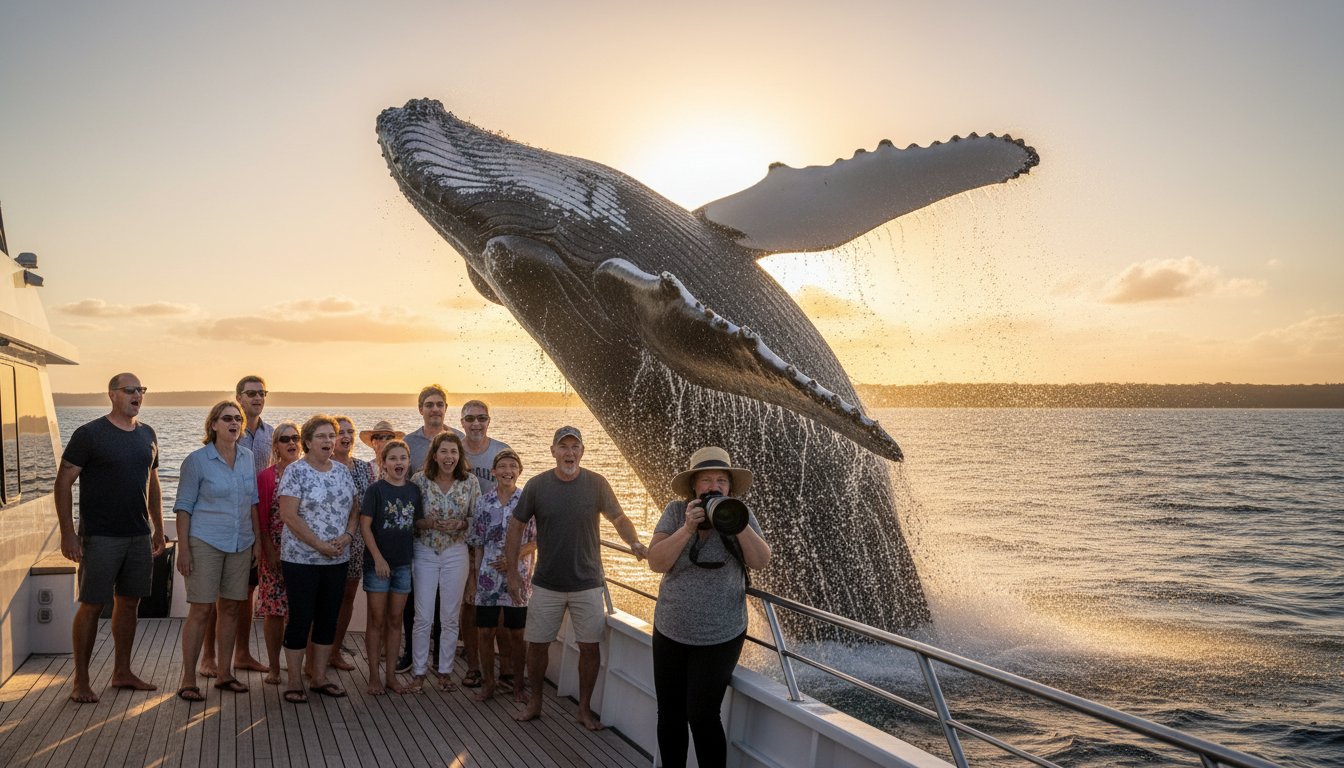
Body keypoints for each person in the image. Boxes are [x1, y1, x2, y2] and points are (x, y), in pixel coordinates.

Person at [506, 426, 648, 729]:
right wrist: (512, 574)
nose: (569, 453)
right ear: (553, 451)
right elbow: (516, 526)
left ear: (582, 451)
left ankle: (583, 709)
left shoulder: (597, 484)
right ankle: (536, 702)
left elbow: (619, 518)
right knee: (538, 645)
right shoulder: (537, 485)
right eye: (563, 447)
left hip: (588, 583)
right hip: (546, 582)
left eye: (574, 447)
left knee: (589, 647)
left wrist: (634, 542)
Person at [646, 447, 772, 768]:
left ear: (730, 487)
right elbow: (656, 561)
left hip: (720, 634)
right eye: (706, 480)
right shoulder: (676, 512)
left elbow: (760, 560)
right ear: (694, 487)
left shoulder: (740, 513)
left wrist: (737, 522)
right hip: (671, 629)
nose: (714, 487)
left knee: (702, 714)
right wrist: (688, 528)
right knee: (670, 713)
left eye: (721, 480)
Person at [55, 373, 165, 704]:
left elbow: (153, 483)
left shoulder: (147, 434)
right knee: (92, 604)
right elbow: (63, 483)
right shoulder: (90, 434)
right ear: (112, 395)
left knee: (129, 603)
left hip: (138, 535)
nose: (137, 395)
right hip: (100, 536)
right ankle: (81, 681)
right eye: (130, 390)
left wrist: (158, 527)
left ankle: (122, 672)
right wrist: (68, 533)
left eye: (141, 389)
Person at [173, 401, 261, 701]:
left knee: (233, 607)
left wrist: (258, 543)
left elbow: (253, 503)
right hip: (205, 542)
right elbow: (183, 508)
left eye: (238, 419)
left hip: (241, 542)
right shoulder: (196, 461)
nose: (234, 423)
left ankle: (224, 674)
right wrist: (182, 549)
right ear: (213, 425)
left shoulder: (248, 457)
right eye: (227, 419)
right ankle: (188, 680)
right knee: (201, 609)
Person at [276, 414, 360, 703]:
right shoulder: (295, 472)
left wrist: (348, 536)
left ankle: (320, 678)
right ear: (307, 442)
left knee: (328, 619)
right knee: (300, 618)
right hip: (301, 559)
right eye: (321, 436)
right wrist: (319, 545)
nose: (328, 441)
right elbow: (288, 515)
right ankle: (295, 682)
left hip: (337, 559)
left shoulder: (341, 471)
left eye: (331, 436)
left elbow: (354, 509)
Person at [200, 375, 272, 678]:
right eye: (251, 393)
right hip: (224, 521)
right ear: (238, 396)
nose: (257, 398)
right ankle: (208, 657)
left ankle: (242, 654)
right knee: (220, 595)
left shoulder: (270, 433)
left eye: (262, 393)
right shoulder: (230, 430)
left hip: (254, 520)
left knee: (247, 591)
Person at [398, 384, 461, 673]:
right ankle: (411, 654)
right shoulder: (410, 442)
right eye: (430, 404)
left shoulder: (456, 440)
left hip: (452, 542)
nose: (435, 409)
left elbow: (463, 482)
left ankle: (439, 661)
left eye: (440, 404)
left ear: (446, 409)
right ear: (421, 409)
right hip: (418, 537)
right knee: (417, 603)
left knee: (444, 606)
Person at [410, 431, 480, 692]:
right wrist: (427, 523)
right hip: (426, 550)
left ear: (459, 455)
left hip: (455, 551)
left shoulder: (470, 482)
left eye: (453, 452)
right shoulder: (419, 481)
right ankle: (418, 672)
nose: (449, 457)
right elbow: (412, 519)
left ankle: (444, 672)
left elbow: (476, 518)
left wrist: (462, 523)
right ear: (435, 455)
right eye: (444, 452)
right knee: (423, 616)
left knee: (450, 617)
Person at [468, 449, 534, 703]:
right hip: (487, 578)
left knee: (517, 633)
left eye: (513, 466)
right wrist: (474, 580)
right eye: (503, 466)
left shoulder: (528, 501)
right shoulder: (484, 503)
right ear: (493, 471)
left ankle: (519, 685)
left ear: (519, 471)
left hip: (518, 577)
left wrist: (512, 558)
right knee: (485, 632)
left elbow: (536, 541)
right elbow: (478, 544)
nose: (508, 471)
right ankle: (488, 684)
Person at [359, 439, 421, 695]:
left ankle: (391, 677)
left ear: (408, 462)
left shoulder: (414, 491)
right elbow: (365, 526)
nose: (398, 463)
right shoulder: (376, 490)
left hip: (403, 564)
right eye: (393, 458)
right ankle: (374, 676)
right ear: (383, 463)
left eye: (402, 458)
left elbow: (417, 524)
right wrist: (378, 558)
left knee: (396, 621)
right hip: (378, 565)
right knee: (376, 620)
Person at [458, 399, 511, 688]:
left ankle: (505, 669)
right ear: (462, 421)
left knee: (501, 607)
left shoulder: (498, 450)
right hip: (464, 539)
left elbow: (510, 483)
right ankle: (474, 665)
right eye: (470, 419)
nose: (476, 424)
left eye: (482, 418)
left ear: (489, 421)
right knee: (470, 602)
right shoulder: (454, 448)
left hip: (498, 543)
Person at [325, 415, 375, 672]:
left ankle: (334, 652)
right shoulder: (322, 466)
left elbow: (370, 507)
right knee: (323, 601)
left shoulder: (365, 468)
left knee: (347, 599)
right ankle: (314, 656)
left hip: (356, 545)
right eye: (339, 432)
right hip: (329, 543)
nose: (345, 437)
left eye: (349, 432)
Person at [254, 420, 300, 685]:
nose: (291, 443)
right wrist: (269, 552)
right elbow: (261, 520)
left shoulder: (307, 472)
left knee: (301, 611)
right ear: (275, 446)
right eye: (285, 439)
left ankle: (298, 666)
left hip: (303, 553)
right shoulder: (267, 477)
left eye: (295, 438)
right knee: (273, 611)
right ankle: (273, 667)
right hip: (274, 550)